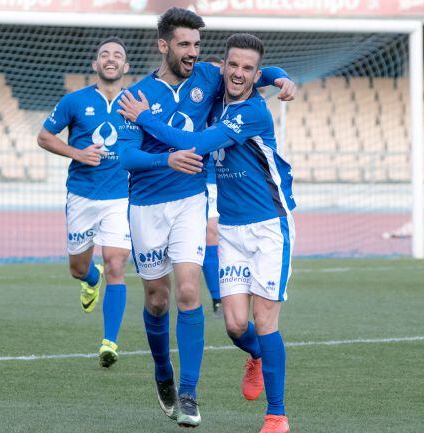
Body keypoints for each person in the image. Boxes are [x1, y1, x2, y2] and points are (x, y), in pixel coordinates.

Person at [116, 7, 296, 429]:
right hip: (148, 206)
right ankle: (164, 371)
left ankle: (200, 397)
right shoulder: (137, 93)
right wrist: (162, 155)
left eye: (198, 45)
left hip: (208, 206)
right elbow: (124, 155)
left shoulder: (215, 83)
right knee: (179, 306)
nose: (194, 53)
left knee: (189, 291)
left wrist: (280, 75)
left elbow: (251, 68)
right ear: (164, 46)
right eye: (185, 44)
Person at [37, 37, 132, 369]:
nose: (110, 59)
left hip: (121, 197)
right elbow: (44, 136)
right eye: (104, 55)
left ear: (125, 67)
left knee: (117, 264)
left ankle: (110, 342)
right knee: (78, 267)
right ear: (95, 65)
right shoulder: (74, 101)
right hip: (81, 195)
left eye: (117, 55)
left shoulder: (136, 104)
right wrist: (77, 153)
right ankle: (92, 279)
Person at [202, 55, 224, 317]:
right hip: (200, 179)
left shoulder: (232, 104)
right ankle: (217, 296)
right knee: (209, 233)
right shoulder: (196, 103)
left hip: (228, 180)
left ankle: (222, 294)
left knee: (216, 234)